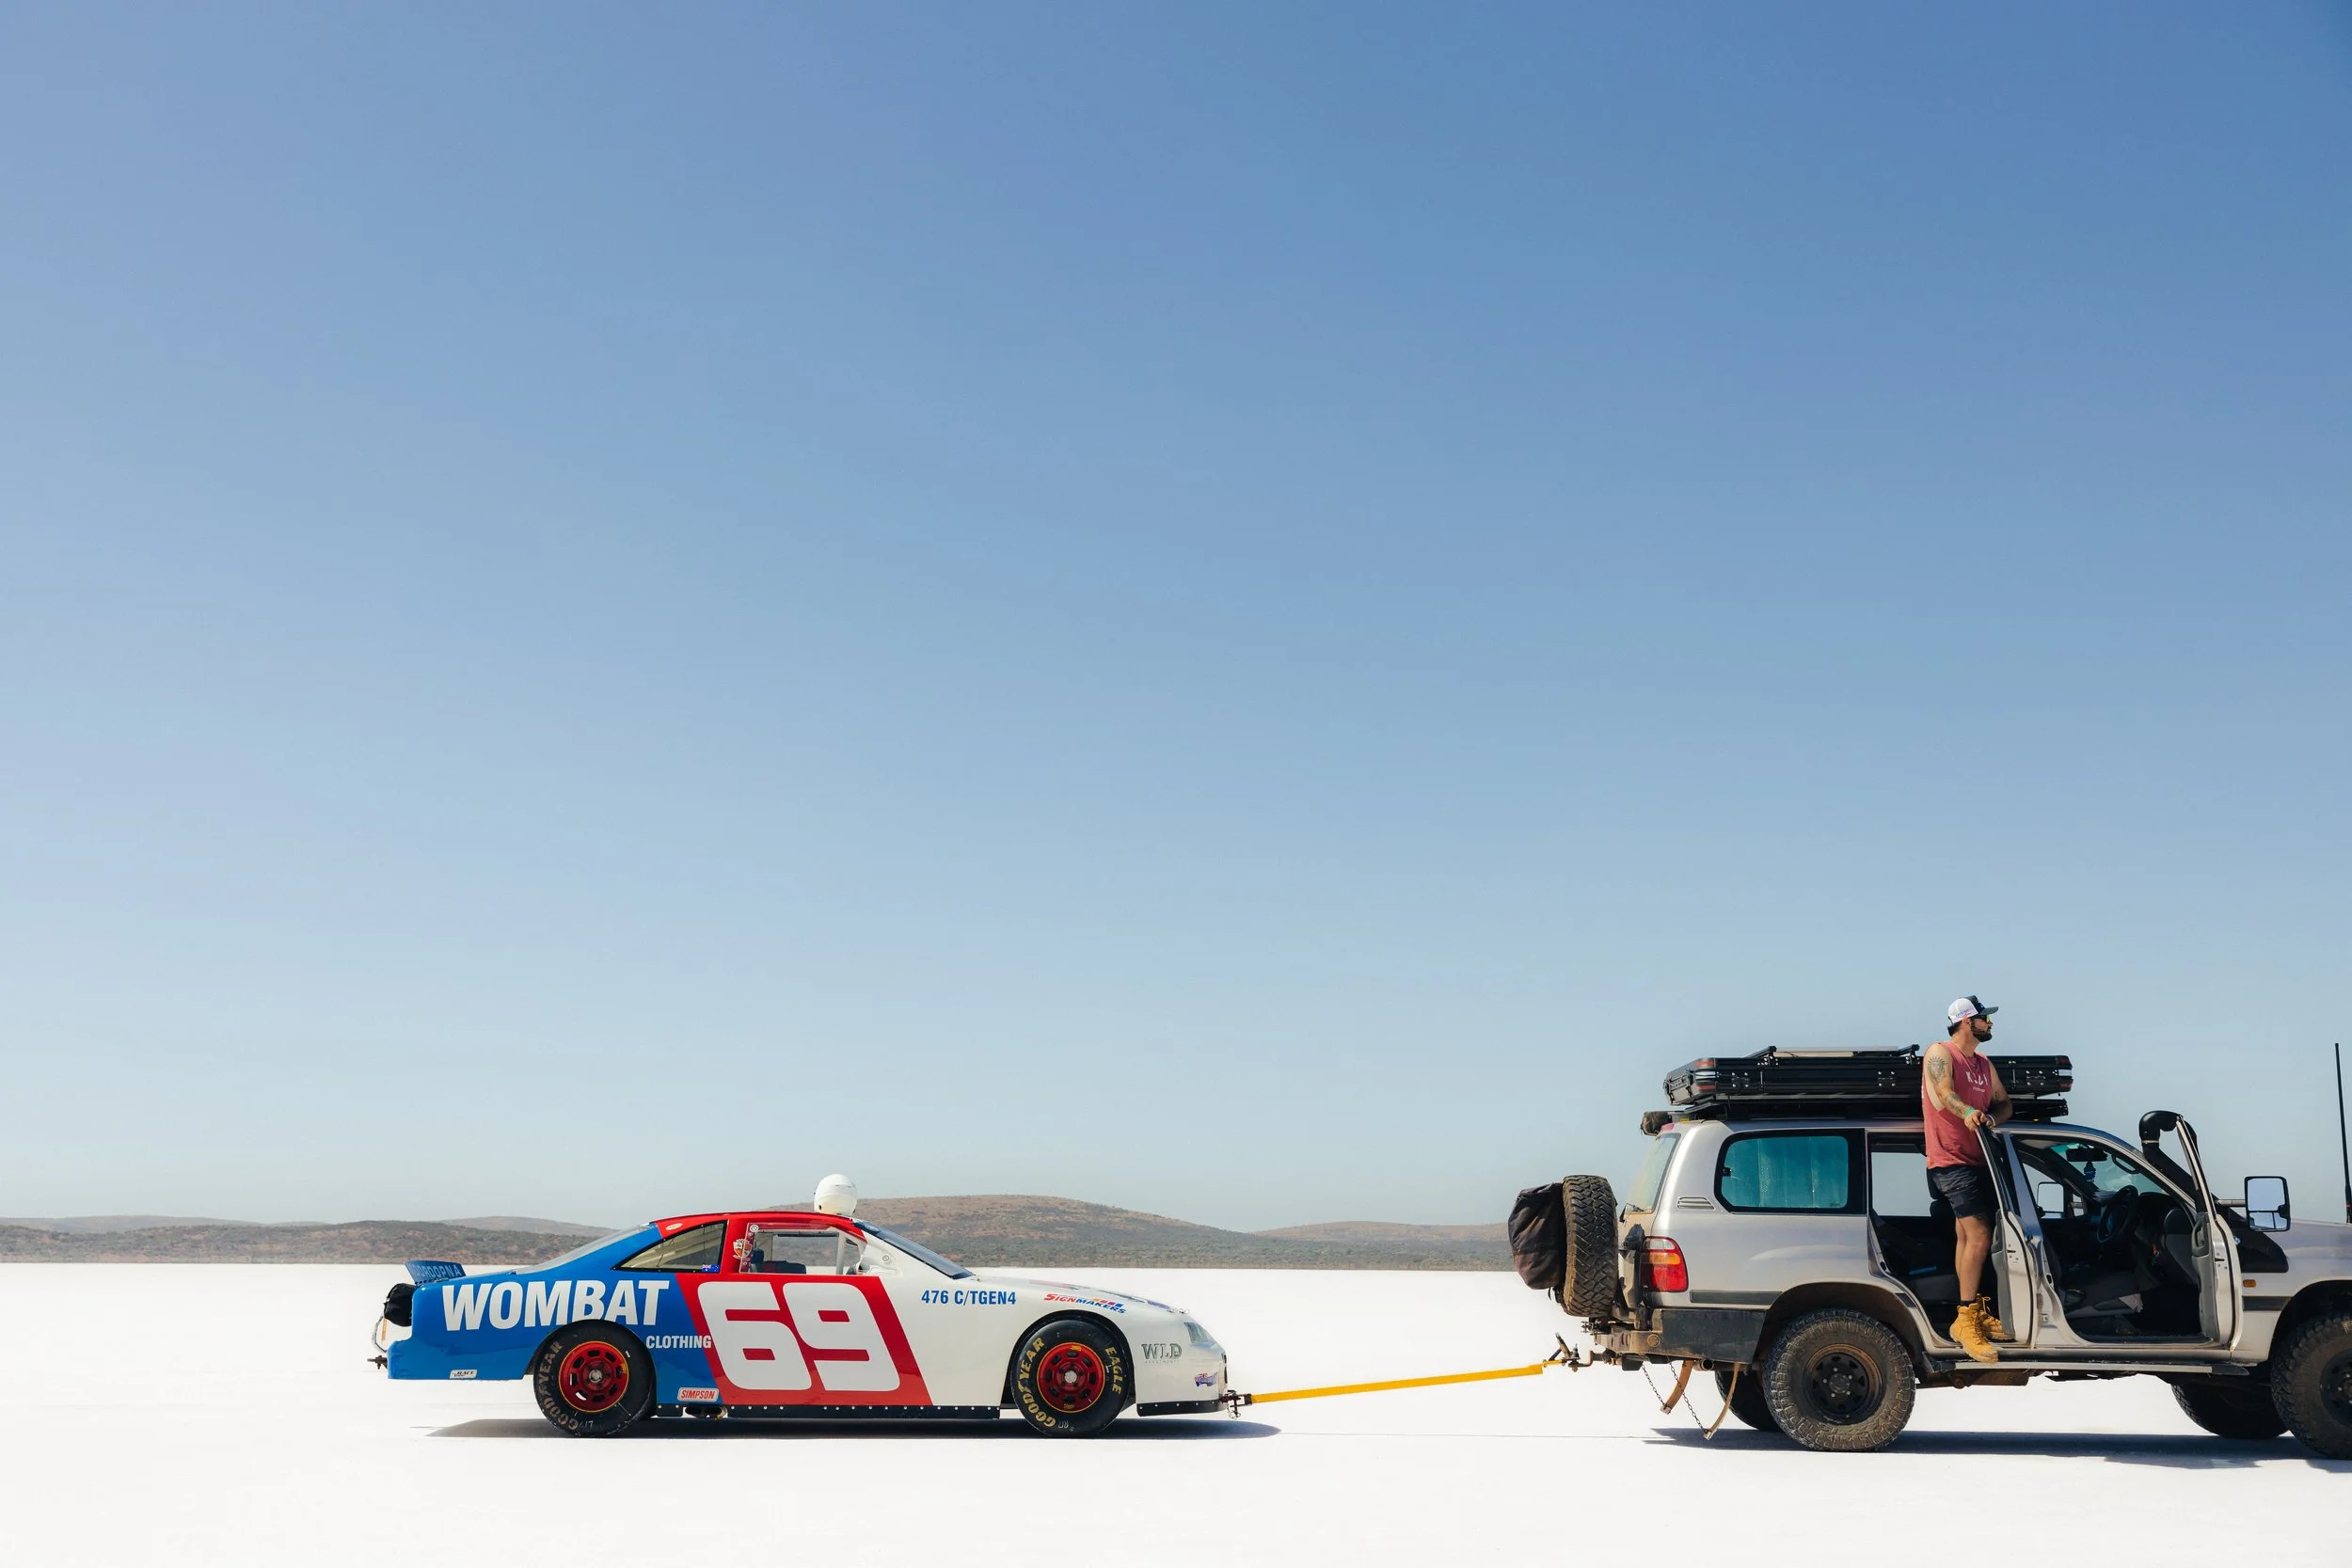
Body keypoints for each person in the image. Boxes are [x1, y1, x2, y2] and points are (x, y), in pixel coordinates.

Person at [1924, 995, 2013, 1363]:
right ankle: (1964, 1319)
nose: (1990, 1024)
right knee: (1979, 1235)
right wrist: (1970, 1112)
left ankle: (1974, 1311)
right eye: (1984, 1019)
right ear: (1966, 1022)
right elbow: (1944, 1095)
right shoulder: (1940, 1053)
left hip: (1980, 1160)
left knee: (1968, 1235)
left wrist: (1992, 1118)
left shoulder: (1983, 1062)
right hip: (1951, 1160)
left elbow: (2004, 1102)